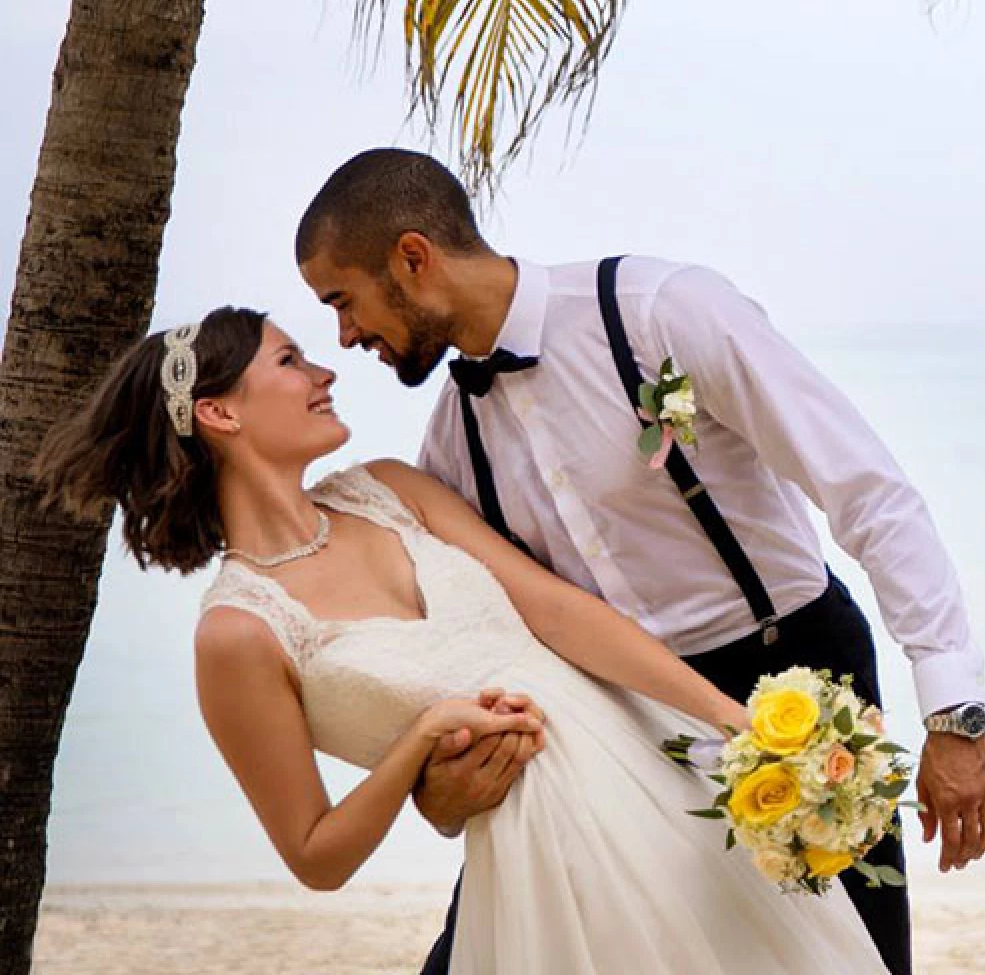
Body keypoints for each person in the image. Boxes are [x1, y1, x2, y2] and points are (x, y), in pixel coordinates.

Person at [294, 148, 985, 975]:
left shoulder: (661, 311)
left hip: (795, 687)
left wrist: (954, 714)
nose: (345, 337)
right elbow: (476, 639)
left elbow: (867, 492)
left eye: (343, 301)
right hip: (614, 723)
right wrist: (439, 793)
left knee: (847, 962)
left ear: (411, 259)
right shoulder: (454, 438)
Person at [36, 309, 889, 974]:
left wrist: (729, 722)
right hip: (545, 863)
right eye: (290, 361)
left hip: (659, 780)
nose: (326, 370)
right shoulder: (237, 631)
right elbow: (314, 855)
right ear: (220, 411)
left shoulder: (391, 490)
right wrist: (415, 749)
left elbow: (562, 614)